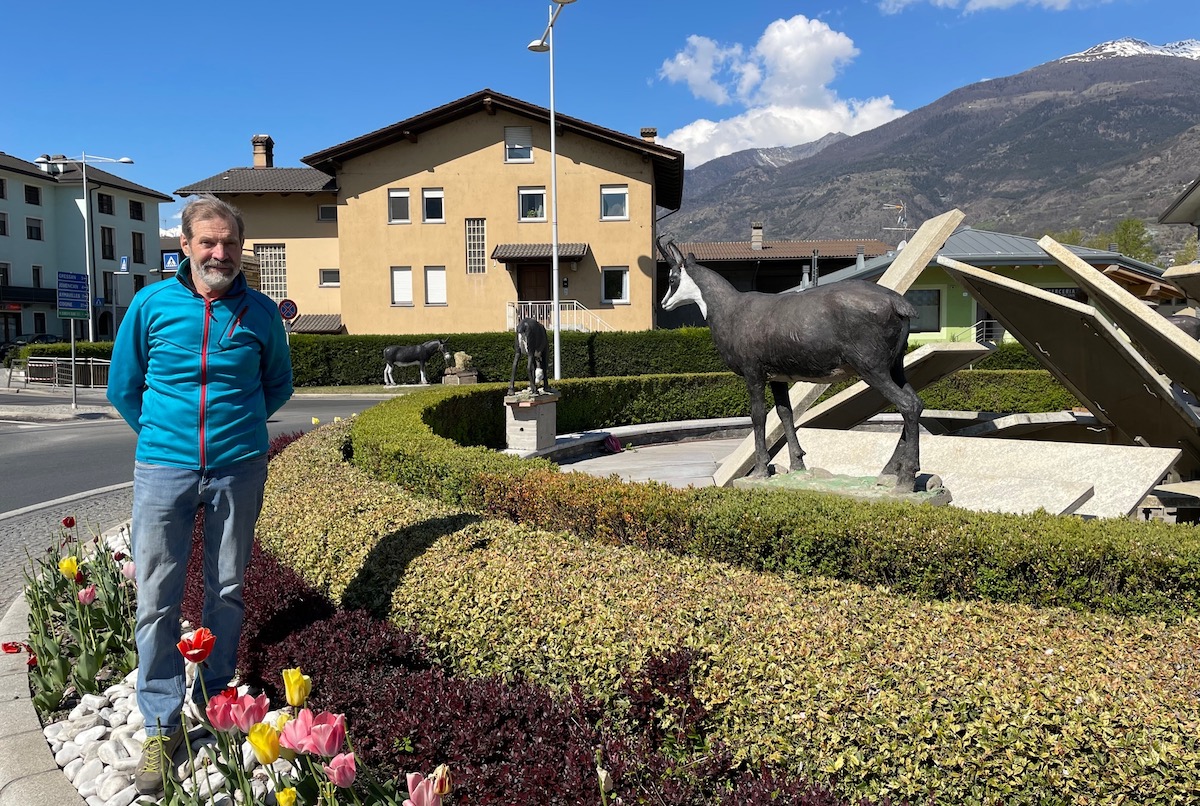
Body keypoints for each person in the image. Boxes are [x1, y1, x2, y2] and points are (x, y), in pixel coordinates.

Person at [107, 194, 294, 795]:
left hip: (239, 468)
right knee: (156, 595)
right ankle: (161, 725)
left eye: (230, 242)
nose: (220, 252)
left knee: (228, 587)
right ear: (184, 245)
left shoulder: (261, 313)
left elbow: (278, 385)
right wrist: (164, 437)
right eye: (208, 242)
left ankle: (216, 699)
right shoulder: (150, 305)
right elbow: (123, 387)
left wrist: (238, 431)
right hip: (163, 469)